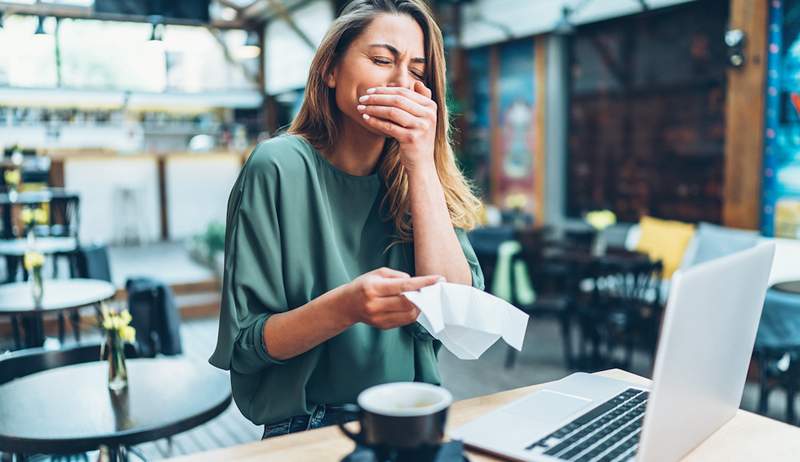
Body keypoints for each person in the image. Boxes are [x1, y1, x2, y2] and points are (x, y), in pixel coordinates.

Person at [210, 0, 485, 439]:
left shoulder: (421, 178)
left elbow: (455, 315)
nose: (401, 83)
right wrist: (346, 307)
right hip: (307, 428)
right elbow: (246, 345)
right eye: (381, 60)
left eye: (417, 72)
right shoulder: (277, 167)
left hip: (412, 416)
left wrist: (419, 161)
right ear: (330, 71)